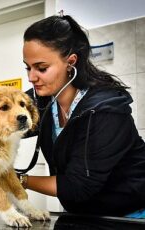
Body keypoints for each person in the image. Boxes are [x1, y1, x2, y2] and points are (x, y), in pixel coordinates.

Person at [17, 14, 145, 217]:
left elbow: (78, 186)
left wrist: (16, 180)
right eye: (28, 67)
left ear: (71, 62)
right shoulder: (43, 99)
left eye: (41, 68)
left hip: (129, 214)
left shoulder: (106, 111)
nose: (31, 77)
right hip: (83, 214)